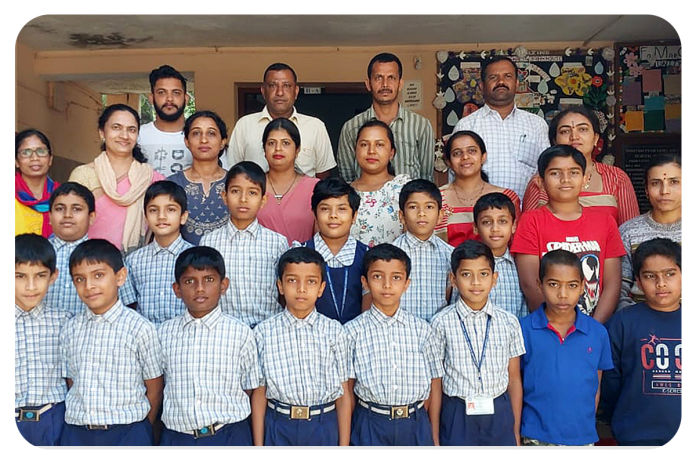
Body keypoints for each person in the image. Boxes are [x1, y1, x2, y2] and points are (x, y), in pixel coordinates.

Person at [59, 239, 163, 446]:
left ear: (120, 276)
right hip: (78, 433)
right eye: (80, 279)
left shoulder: (140, 328)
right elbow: (72, 381)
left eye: (98, 275)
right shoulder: (70, 329)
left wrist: (141, 427)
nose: (89, 286)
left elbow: (154, 386)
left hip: (128, 432)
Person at [158, 246, 260, 446]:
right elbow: (159, 384)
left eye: (209, 280)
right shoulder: (163, 334)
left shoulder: (240, 333)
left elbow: (249, 388)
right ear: (177, 289)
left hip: (229, 434)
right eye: (189, 281)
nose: (200, 289)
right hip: (177, 438)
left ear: (224, 285)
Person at [511, 145, 625, 323]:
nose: (565, 179)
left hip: (595, 327)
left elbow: (612, 284)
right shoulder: (531, 221)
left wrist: (593, 327)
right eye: (555, 173)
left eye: (573, 172)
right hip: (548, 329)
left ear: (585, 179)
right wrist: (557, 325)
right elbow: (530, 284)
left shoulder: (605, 221)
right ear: (540, 182)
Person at [251, 247, 352, 446]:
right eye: (292, 280)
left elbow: (344, 393)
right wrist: (258, 446)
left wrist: (344, 446)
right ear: (280, 285)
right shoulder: (263, 332)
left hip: (323, 424)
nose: (301, 289)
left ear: (321, 288)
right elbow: (260, 393)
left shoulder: (334, 331)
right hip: (279, 425)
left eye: (311, 282)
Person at [345, 244, 443, 446]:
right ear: (365, 282)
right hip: (370, 422)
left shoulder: (423, 331)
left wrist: (433, 435)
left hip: (415, 423)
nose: (387, 285)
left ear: (407, 283)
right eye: (377, 276)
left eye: (396, 278)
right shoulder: (351, 332)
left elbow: (434, 384)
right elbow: (348, 388)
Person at [430, 240, 525, 446]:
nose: (475, 282)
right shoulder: (440, 323)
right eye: (466, 275)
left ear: (494, 279)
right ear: (453, 279)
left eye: (483, 274)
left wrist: (515, 431)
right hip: (457, 413)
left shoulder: (509, 322)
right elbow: (435, 383)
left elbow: (514, 379)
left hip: (499, 411)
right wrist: (435, 436)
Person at [519, 249, 613, 446]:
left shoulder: (597, 333)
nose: (562, 294)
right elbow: (515, 385)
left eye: (571, 285)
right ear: (540, 285)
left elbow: (595, 388)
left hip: (582, 438)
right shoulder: (523, 330)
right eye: (553, 284)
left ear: (581, 287)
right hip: (535, 438)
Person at [600, 238, 681, 446]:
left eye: (670, 274)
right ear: (637, 280)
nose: (661, 283)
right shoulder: (623, 322)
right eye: (650, 276)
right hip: (636, 436)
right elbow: (610, 382)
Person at [200, 161, 289, 327]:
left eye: (252, 193)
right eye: (235, 191)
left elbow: (285, 292)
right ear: (224, 196)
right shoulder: (209, 242)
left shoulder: (277, 243)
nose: (243, 199)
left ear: (263, 200)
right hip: (225, 331)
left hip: (268, 328)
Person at [69, 103, 165, 253]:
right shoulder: (83, 175)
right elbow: (70, 224)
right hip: (89, 262)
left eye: (131, 130)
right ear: (102, 132)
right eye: (116, 127)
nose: (124, 135)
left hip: (137, 265)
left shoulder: (153, 179)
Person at [452, 56, 549, 200]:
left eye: (507, 76)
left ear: (516, 83)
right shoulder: (467, 125)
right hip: (478, 215)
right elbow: (455, 175)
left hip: (526, 215)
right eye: (493, 77)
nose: (501, 82)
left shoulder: (537, 125)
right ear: (482, 86)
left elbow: (546, 172)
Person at [523, 106, 639, 225]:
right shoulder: (540, 181)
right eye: (565, 131)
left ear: (595, 138)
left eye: (582, 129)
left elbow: (631, 233)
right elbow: (528, 229)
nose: (574, 137)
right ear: (555, 141)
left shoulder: (616, 178)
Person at [338, 52, 434, 182]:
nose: (385, 84)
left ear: (400, 84)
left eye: (391, 78)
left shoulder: (421, 125)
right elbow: (347, 179)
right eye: (378, 78)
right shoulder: (351, 127)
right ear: (368, 84)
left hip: (408, 201)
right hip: (364, 201)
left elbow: (426, 177)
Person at [228, 62, 335, 178]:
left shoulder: (315, 127)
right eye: (273, 85)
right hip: (256, 195)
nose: (280, 92)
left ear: (296, 91)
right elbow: (233, 171)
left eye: (287, 85)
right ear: (263, 91)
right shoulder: (244, 125)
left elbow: (323, 176)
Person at [15, 234, 70, 446]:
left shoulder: (64, 322)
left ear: (53, 276)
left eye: (39, 275)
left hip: (53, 418)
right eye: (19, 276)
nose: (30, 286)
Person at [120, 181, 194, 325]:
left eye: (170, 210)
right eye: (154, 210)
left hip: (184, 336)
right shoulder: (134, 260)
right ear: (146, 217)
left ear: (183, 217)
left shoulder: (194, 257)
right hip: (146, 337)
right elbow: (129, 308)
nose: (161, 216)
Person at [435, 130, 520, 247]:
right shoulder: (436, 198)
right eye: (457, 153)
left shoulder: (507, 197)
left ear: (483, 157)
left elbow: (516, 243)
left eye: (472, 151)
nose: (465, 157)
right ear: (448, 161)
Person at [304, 177, 371, 324]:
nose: (333, 215)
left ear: (354, 216)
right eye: (325, 209)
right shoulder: (301, 254)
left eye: (341, 209)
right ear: (314, 214)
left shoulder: (368, 256)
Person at [618, 154, 681, 309]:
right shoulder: (629, 231)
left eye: (674, 182)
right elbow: (620, 289)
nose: (664, 191)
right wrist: (635, 320)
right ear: (646, 190)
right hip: (642, 326)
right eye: (655, 183)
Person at [392, 179, 454, 321]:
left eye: (429, 207)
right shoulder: (391, 255)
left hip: (438, 332)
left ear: (440, 216)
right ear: (402, 216)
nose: (421, 213)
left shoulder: (450, 255)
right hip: (401, 334)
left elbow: (452, 300)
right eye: (413, 207)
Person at [167, 110, 229, 245]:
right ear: (187, 141)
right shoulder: (172, 184)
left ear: (223, 142)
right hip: (182, 262)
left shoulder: (235, 183)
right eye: (196, 133)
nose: (204, 140)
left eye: (211, 133)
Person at [256, 118, 320, 245]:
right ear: (264, 150)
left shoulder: (315, 188)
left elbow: (321, 239)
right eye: (271, 143)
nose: (278, 149)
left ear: (297, 149)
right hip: (259, 262)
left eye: (285, 143)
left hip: (303, 262)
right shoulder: (253, 186)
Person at [349, 120, 410, 247]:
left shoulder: (404, 188)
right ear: (356, 150)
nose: (371, 151)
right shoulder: (344, 193)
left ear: (392, 153)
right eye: (364, 144)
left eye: (379, 145)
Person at [473, 192, 528, 319]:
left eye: (502, 221)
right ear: (475, 227)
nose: (495, 229)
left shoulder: (520, 265)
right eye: (487, 222)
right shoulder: (467, 265)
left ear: (513, 226)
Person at [45, 182, 95, 316]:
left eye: (76, 209)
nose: (67, 215)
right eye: (60, 209)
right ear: (49, 217)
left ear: (91, 217)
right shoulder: (36, 254)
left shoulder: (103, 256)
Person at [138, 64, 193, 177]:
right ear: (151, 98)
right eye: (161, 92)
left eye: (176, 93)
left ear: (186, 99)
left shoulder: (199, 136)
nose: (169, 99)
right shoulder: (138, 136)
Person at [15, 129, 59, 237]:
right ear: (16, 162)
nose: (34, 158)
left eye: (41, 151)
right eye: (26, 152)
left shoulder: (61, 195)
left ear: (50, 159)